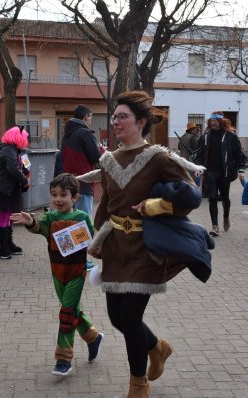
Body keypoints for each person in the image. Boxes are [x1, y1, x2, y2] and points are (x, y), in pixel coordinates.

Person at [87, 91, 201, 397]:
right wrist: (97, 238)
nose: (116, 122)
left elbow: (191, 196)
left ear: (140, 122)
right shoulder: (108, 160)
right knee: (115, 317)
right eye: (114, 117)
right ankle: (157, 347)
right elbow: (106, 204)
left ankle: (138, 383)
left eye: (122, 116)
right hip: (115, 249)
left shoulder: (158, 157)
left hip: (145, 248)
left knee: (130, 317)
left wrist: (154, 206)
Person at [10, 173, 104, 377]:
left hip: (76, 274)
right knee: (72, 311)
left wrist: (100, 251)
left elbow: (92, 241)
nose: (58, 199)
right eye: (54, 194)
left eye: (63, 194)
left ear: (75, 197)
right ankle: (93, 337)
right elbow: (40, 229)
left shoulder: (82, 218)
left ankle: (63, 358)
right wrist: (30, 221)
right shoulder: (50, 217)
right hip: (56, 274)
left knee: (66, 314)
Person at [0, 126, 30, 259]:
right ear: (19, 138)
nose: (26, 140)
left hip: (4, 189)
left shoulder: (14, 151)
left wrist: (25, 173)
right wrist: (24, 181)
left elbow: (19, 167)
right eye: (25, 138)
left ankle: (8, 244)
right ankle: (0, 248)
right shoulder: (9, 150)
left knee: (8, 217)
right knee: (2, 218)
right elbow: (12, 169)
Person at [194, 111, 246, 236]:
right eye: (211, 121)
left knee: (225, 198)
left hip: (225, 172)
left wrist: (241, 169)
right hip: (210, 172)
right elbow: (199, 154)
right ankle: (215, 226)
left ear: (221, 122)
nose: (213, 123)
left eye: (216, 121)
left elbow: (238, 154)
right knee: (212, 198)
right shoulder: (205, 136)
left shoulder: (230, 136)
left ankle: (226, 216)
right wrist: (197, 167)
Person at [61, 105, 102, 217]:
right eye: (90, 117)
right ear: (85, 117)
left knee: (71, 221)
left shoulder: (67, 135)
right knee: (83, 222)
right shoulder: (84, 133)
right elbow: (95, 157)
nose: (90, 121)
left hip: (68, 183)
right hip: (83, 183)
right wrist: (101, 150)